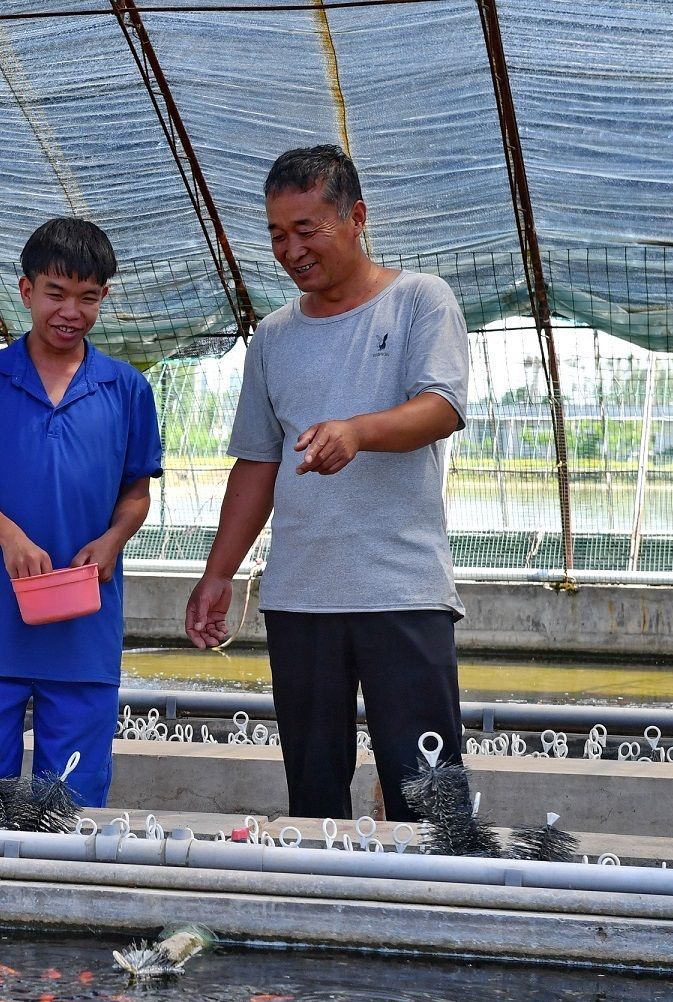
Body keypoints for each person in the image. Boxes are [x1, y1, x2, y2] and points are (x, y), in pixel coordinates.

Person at [184, 145, 469, 822]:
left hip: (400, 589)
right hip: (300, 597)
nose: (290, 249)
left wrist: (358, 431)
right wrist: (219, 572)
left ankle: (440, 913)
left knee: (429, 788)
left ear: (357, 217)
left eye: (307, 230)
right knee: (314, 792)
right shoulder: (274, 338)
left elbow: (443, 406)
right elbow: (257, 462)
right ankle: (328, 911)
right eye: (278, 235)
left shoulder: (418, 301)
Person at [0, 217, 163, 808]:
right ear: (26, 290)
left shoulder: (127, 389)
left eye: (87, 298)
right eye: (56, 293)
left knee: (74, 806)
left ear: (104, 297)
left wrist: (113, 540)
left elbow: (137, 491)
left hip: (84, 626)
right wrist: (9, 538)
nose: (70, 311)